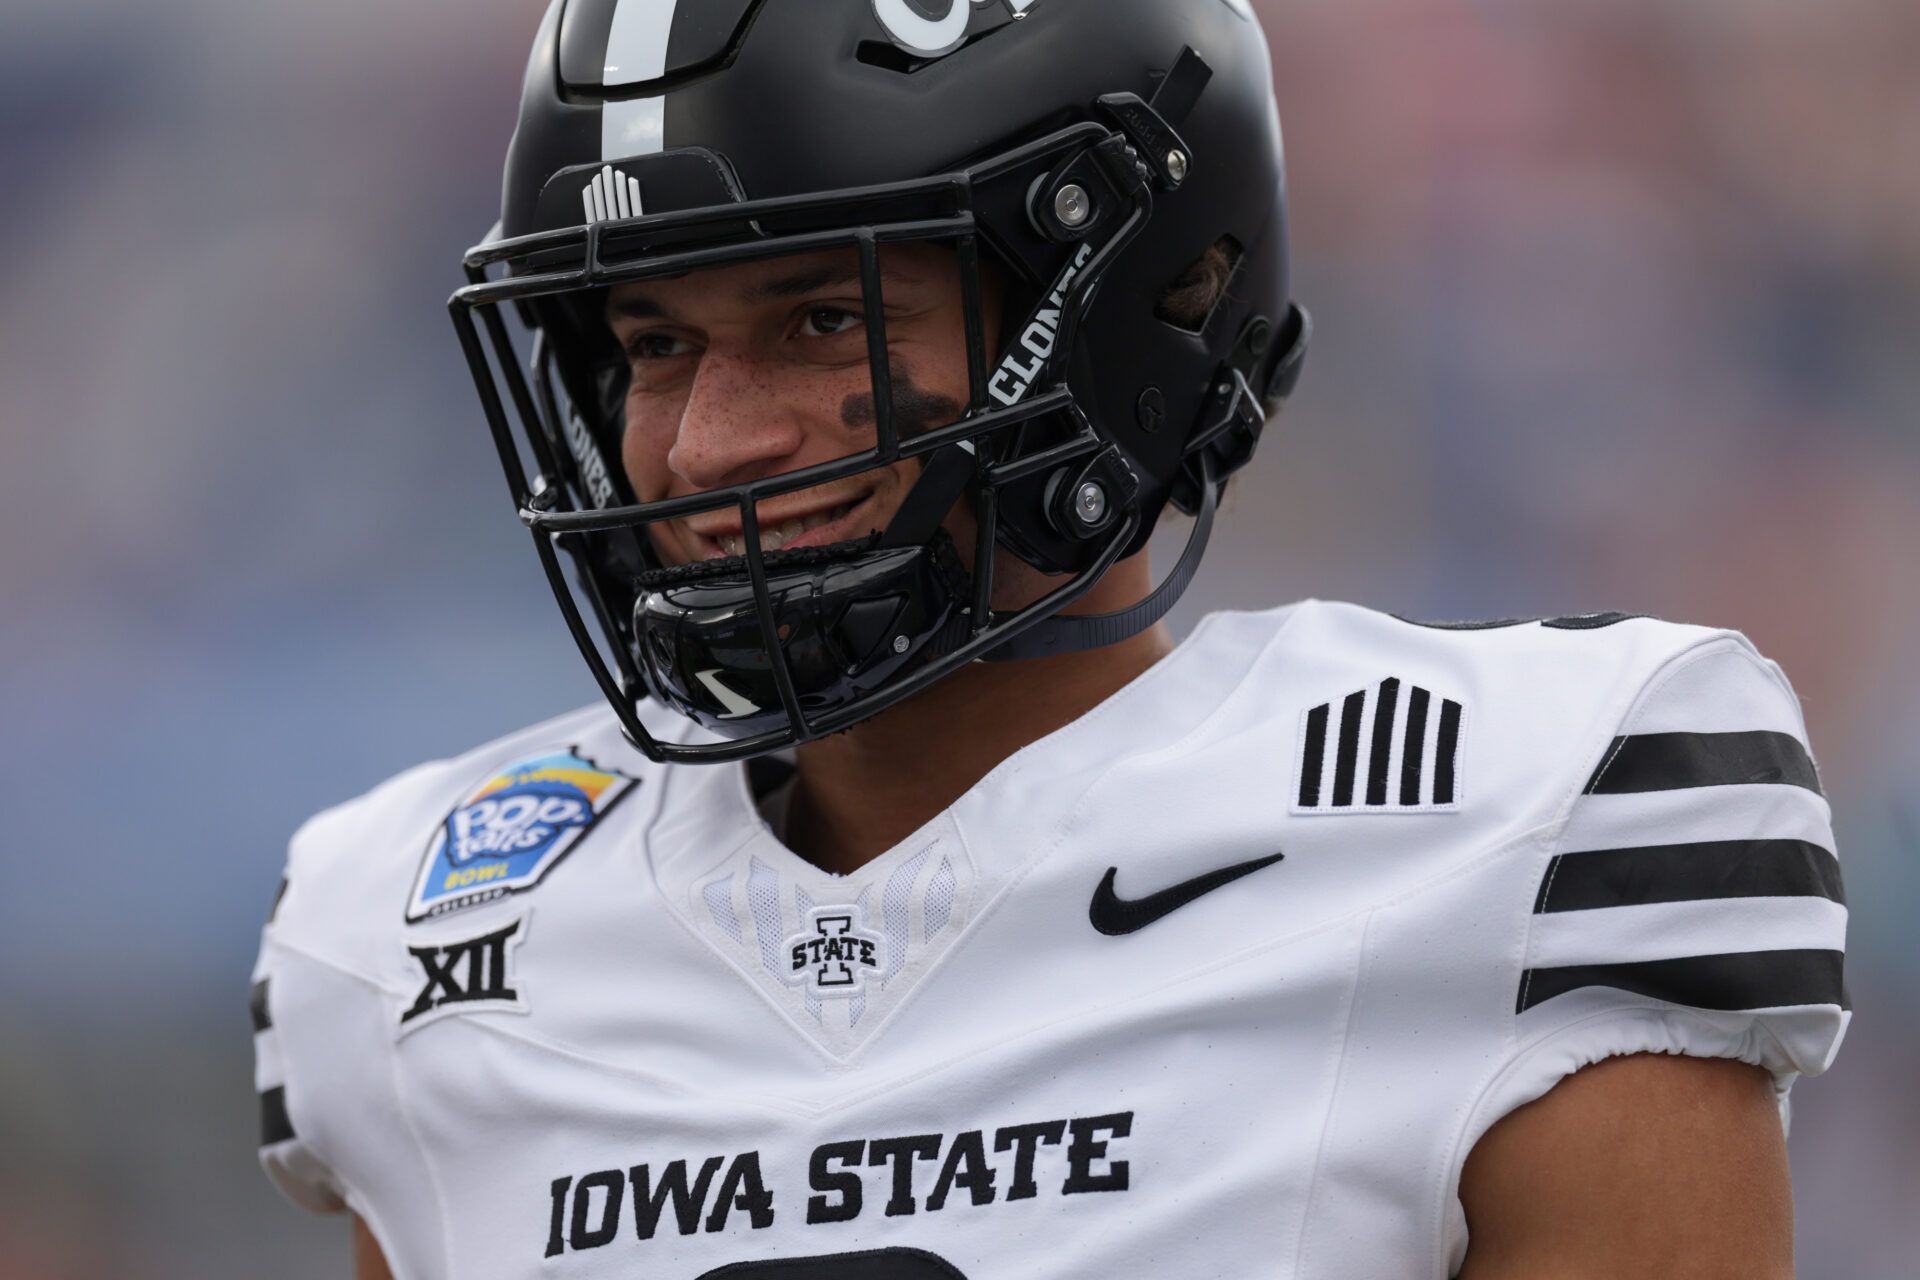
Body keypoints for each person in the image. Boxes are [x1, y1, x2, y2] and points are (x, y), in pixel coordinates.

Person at [250, 2, 1850, 1276]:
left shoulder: (1518, 824)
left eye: (827, 321)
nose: (711, 440)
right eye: (656, 344)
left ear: (1142, 302)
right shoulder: (423, 933)